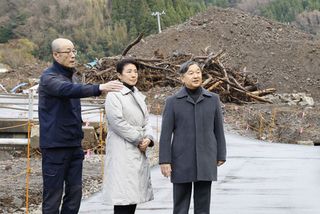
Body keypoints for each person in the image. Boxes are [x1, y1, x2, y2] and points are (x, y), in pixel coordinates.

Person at [38, 38, 123, 214]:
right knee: (53, 196)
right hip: (55, 147)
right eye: (67, 52)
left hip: (74, 145)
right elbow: (67, 90)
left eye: (74, 51)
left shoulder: (74, 77)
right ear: (56, 55)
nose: (72, 55)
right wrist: (99, 87)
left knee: (75, 193)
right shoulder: (49, 78)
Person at [159, 61, 227, 214]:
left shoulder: (213, 99)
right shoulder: (172, 102)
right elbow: (165, 134)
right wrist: (164, 160)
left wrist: (221, 154)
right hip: (181, 159)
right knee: (180, 207)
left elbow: (218, 129)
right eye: (191, 73)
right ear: (182, 78)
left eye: (198, 72)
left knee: (203, 207)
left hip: (206, 158)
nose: (196, 75)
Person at [102, 58, 154, 214]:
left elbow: (146, 121)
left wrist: (149, 139)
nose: (133, 75)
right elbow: (117, 122)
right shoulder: (114, 95)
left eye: (135, 71)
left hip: (138, 150)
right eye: (129, 72)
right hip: (122, 149)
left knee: (133, 196)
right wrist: (139, 139)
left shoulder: (138, 95)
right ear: (119, 75)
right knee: (123, 196)